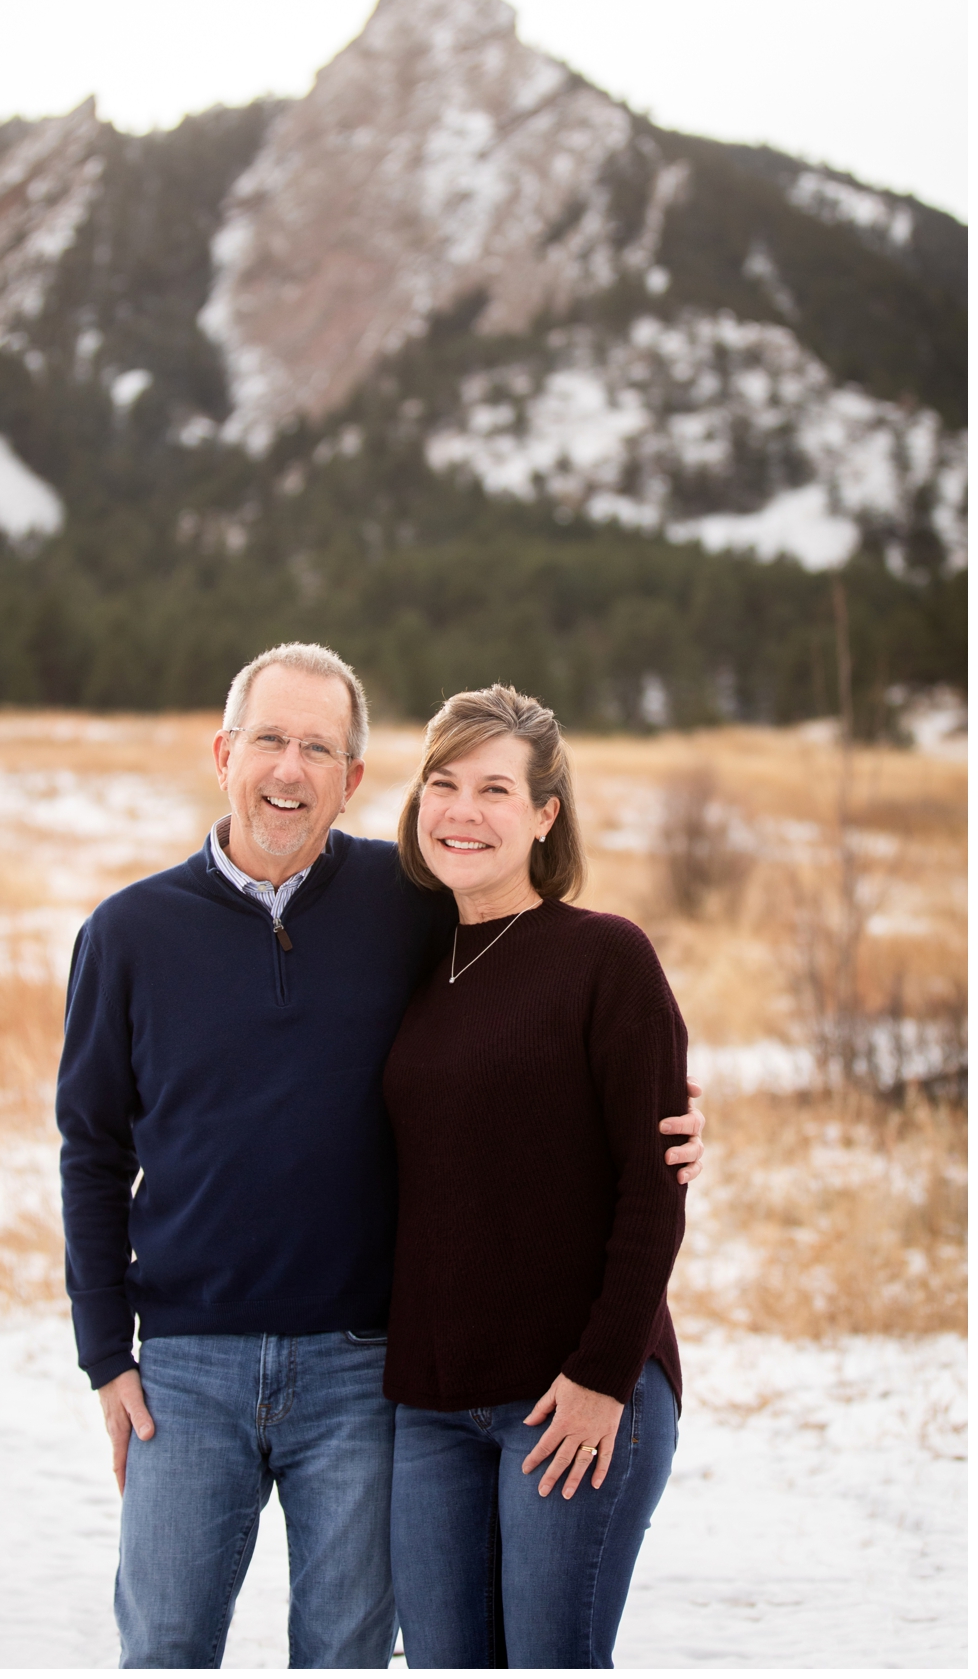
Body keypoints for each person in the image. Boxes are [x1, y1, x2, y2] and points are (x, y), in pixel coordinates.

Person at [56, 644, 706, 1668]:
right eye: (269, 739)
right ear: (222, 751)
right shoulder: (131, 933)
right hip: (196, 1366)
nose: (289, 768)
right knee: (167, 1646)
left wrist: (667, 1114)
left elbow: (555, 1014)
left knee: (352, 1653)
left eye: (319, 746)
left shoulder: (403, 904)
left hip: (363, 1369)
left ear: (353, 779)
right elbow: (91, 1151)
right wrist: (106, 1350)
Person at [382, 686, 684, 1667]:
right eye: (444, 783)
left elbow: (654, 1185)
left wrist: (604, 1376)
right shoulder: (414, 960)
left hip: (571, 1399)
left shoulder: (605, 957)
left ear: (546, 814)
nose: (463, 811)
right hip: (431, 1403)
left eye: (496, 789)